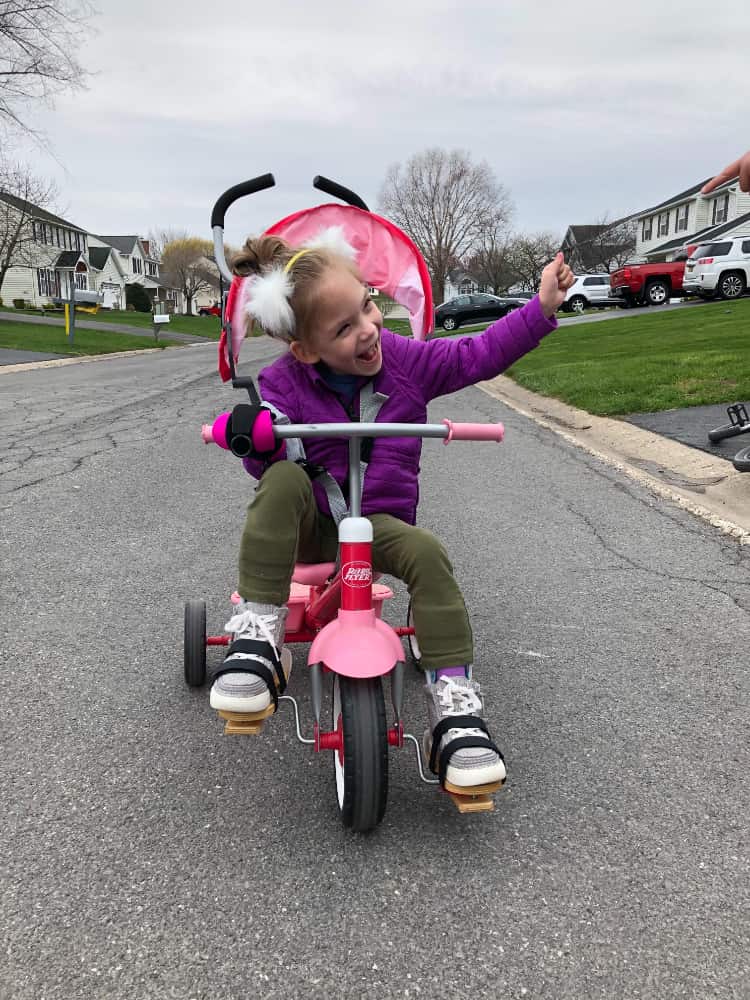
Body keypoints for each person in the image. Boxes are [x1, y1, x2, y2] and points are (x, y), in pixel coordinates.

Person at [209, 229, 574, 789]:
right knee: (281, 478)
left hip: (378, 526)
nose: (369, 329)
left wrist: (541, 309)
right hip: (314, 529)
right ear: (305, 349)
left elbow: (475, 354)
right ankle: (259, 629)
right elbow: (266, 460)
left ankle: (454, 710)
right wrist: (253, 438)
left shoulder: (405, 361)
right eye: (344, 328)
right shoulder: (282, 383)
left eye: (368, 306)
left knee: (427, 553)